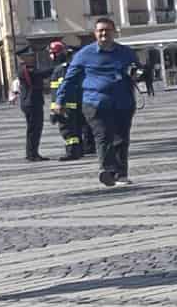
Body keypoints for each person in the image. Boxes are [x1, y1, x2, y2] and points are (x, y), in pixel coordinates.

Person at [59, 18, 142, 186]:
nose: (104, 33)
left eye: (107, 30)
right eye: (100, 31)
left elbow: (139, 70)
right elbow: (69, 80)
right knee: (103, 135)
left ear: (114, 32)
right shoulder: (84, 54)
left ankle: (121, 174)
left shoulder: (126, 52)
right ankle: (107, 170)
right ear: (95, 34)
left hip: (123, 102)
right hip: (95, 102)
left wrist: (137, 73)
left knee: (121, 138)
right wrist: (59, 101)